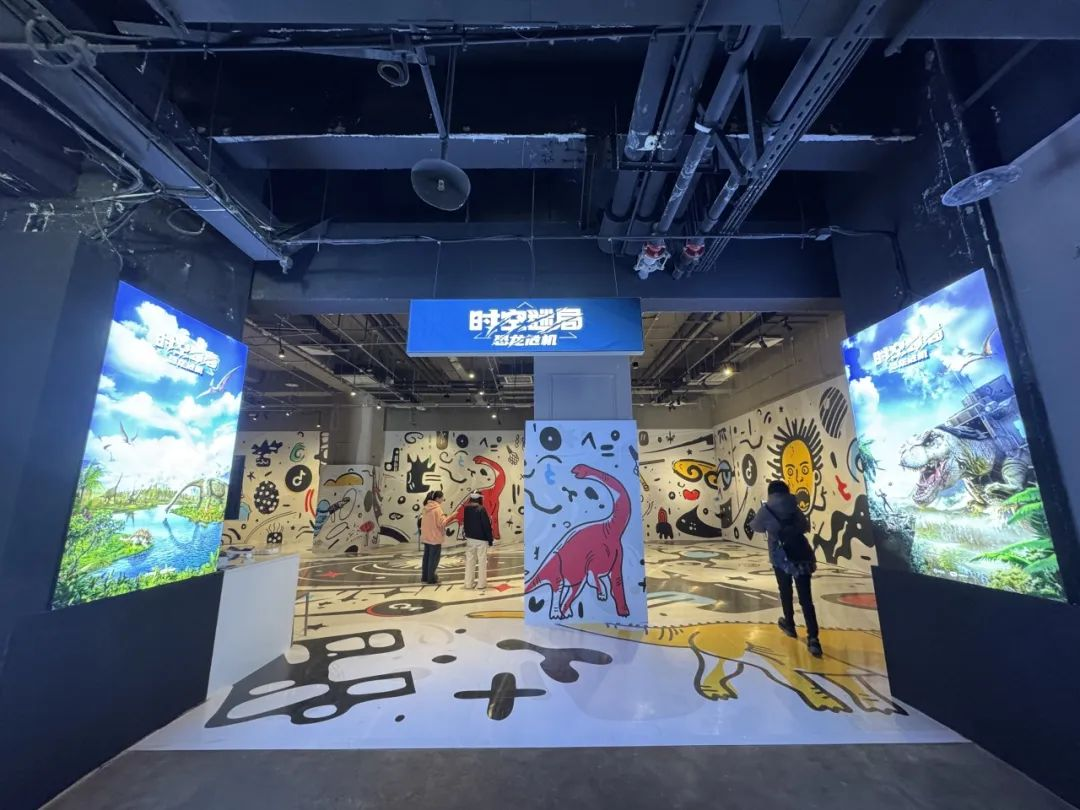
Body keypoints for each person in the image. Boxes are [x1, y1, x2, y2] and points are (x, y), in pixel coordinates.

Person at [750, 480, 822, 657]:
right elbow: (805, 527)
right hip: (800, 555)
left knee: (785, 591)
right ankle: (813, 638)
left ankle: (789, 624)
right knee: (806, 598)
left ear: (770, 493)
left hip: (780, 557)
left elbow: (756, 527)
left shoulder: (766, 510)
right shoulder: (794, 507)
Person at [462, 492, 494, 590]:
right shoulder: (481, 509)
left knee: (469, 561)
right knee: (482, 561)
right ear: (479, 499)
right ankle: (481, 584)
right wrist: (490, 539)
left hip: (470, 539)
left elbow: (465, 523)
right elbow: (486, 525)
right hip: (481, 540)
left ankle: (468, 584)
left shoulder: (466, 509)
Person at [419, 491, 448, 584]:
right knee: (434, 559)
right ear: (437, 498)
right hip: (435, 537)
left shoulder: (426, 508)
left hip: (426, 536)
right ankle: (431, 578)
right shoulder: (437, 509)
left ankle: (425, 577)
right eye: (442, 498)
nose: (443, 499)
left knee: (426, 557)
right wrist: (450, 517)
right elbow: (441, 523)